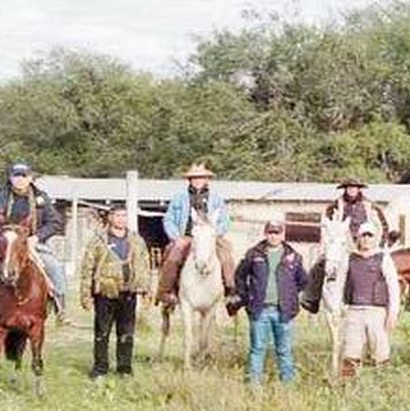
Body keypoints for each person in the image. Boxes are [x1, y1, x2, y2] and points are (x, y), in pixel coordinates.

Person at [0, 163, 66, 320]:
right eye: (16, 176)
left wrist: (37, 237)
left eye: (23, 176)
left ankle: (60, 307)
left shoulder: (41, 198)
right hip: (5, 244)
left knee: (54, 267)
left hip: (32, 244)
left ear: (30, 178)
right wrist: (0, 235)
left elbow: (54, 222)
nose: (20, 180)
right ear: (10, 178)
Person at [77, 205, 152, 378]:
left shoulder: (136, 240)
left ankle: (124, 368)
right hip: (105, 293)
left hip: (128, 292)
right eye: (117, 215)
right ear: (110, 218)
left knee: (126, 333)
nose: (121, 219)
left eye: (124, 216)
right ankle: (100, 368)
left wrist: (146, 288)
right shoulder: (98, 240)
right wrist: (85, 295)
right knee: (102, 332)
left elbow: (145, 265)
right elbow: (87, 268)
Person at [156, 162, 239, 312]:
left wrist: (215, 233)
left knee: (226, 254)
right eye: (194, 178)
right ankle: (166, 292)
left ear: (207, 179)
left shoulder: (217, 199)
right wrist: (176, 237)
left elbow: (225, 220)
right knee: (173, 256)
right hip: (187, 236)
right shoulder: (179, 198)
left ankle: (231, 292)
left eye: (201, 178)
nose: (198, 180)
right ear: (190, 180)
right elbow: (168, 219)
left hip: (210, 235)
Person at [235, 218, 309, 384]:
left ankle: (287, 386)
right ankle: (254, 386)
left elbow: (303, 281)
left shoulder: (294, 257)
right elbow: (240, 276)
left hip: (284, 312)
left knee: (284, 350)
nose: (274, 236)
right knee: (257, 349)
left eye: (277, 233)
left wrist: (290, 297)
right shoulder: (253, 254)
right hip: (259, 310)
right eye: (271, 232)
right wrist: (247, 297)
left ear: (283, 235)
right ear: (265, 233)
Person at [340, 222, 400, 378]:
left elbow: (393, 286)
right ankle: (348, 386)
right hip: (354, 311)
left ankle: (382, 382)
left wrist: (393, 312)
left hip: (377, 312)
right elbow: (340, 283)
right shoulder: (349, 258)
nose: (366, 239)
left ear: (375, 238)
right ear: (358, 238)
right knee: (351, 351)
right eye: (363, 236)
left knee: (380, 350)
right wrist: (339, 307)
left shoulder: (383, 258)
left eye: (369, 235)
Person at [324, 179, 390, 240]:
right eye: (349, 188)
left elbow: (383, 224)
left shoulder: (368, 204)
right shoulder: (337, 204)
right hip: (344, 239)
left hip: (364, 239)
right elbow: (327, 222)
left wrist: (382, 240)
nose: (352, 190)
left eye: (354, 188)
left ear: (358, 189)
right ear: (346, 189)